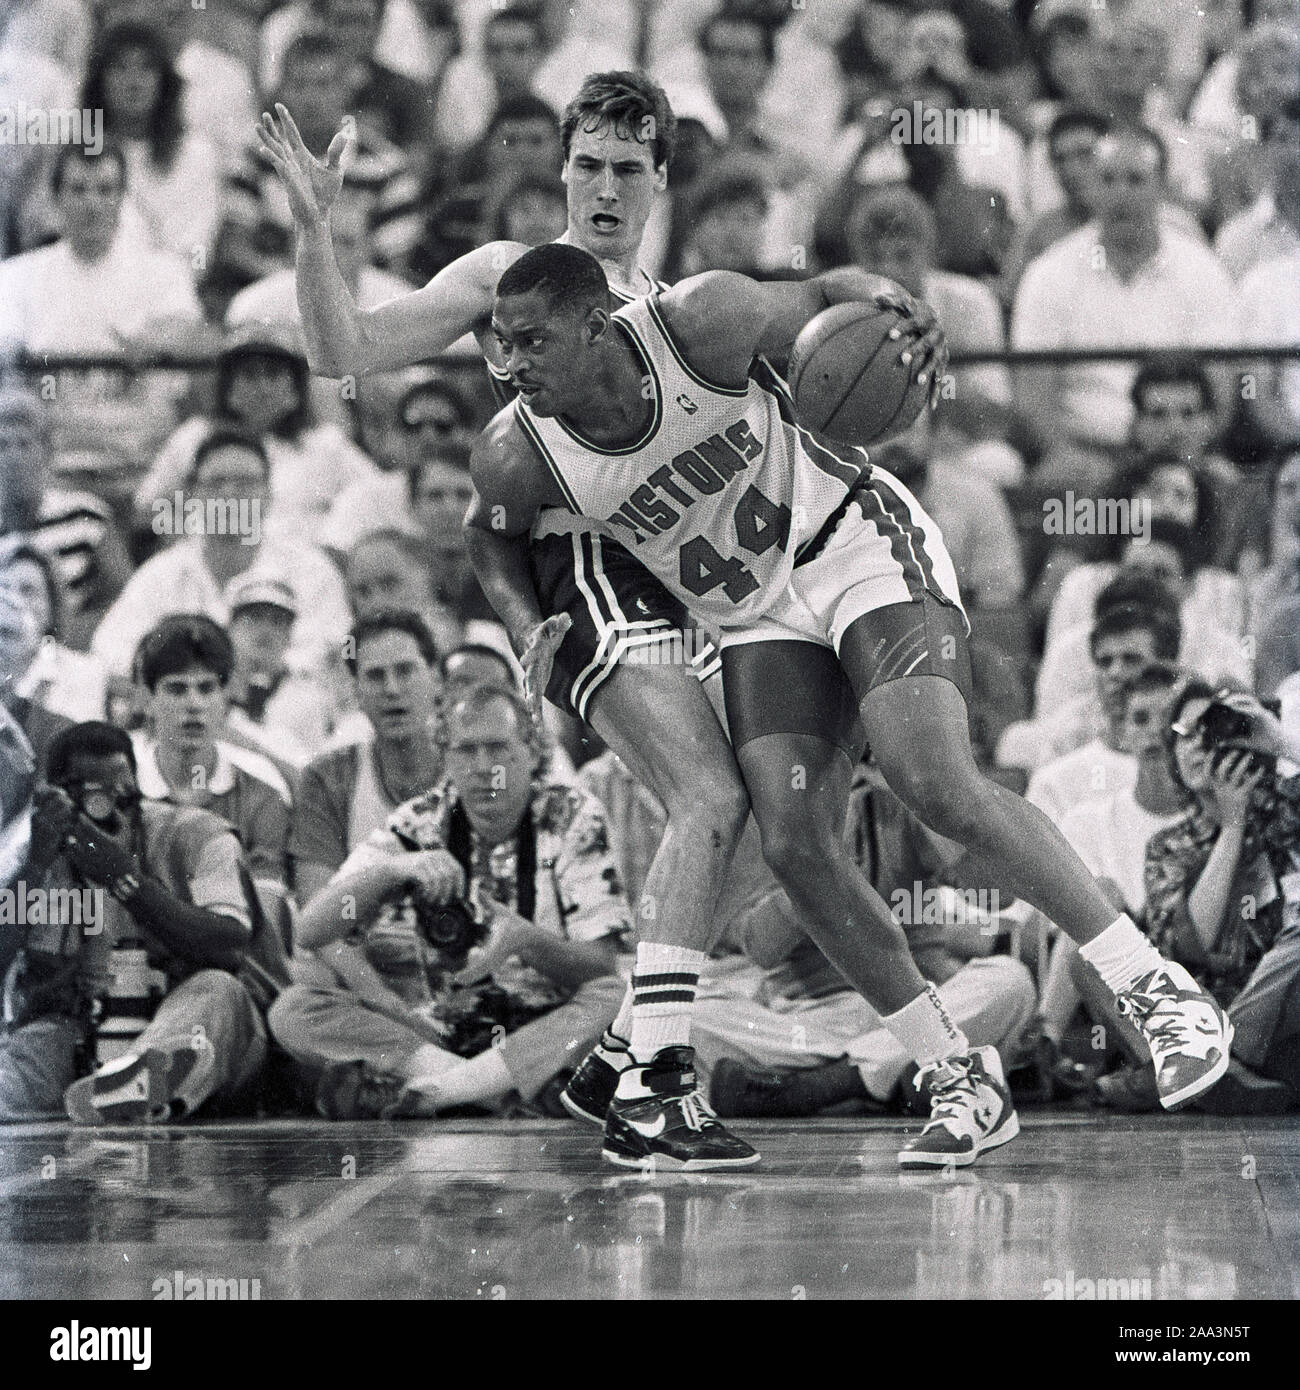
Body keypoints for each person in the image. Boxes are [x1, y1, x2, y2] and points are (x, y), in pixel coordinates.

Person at [461, 240, 1233, 1170]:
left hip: (853, 541)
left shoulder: (700, 320)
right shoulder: (516, 450)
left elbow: (830, 292)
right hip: (752, 616)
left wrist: (893, 304)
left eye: (531, 342)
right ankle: (957, 1077)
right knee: (792, 843)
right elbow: (490, 540)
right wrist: (519, 621)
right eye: (500, 345)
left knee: (932, 779)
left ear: (596, 326)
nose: (511, 365)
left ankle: (1154, 989)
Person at [260, 71, 777, 1169]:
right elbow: (341, 349)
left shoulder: (687, 312)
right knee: (712, 798)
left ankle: (623, 1050)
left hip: (675, 577)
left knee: (771, 819)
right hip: (570, 570)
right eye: (585, 165)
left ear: (658, 181)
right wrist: (317, 231)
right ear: (558, 174)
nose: (602, 186)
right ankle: (655, 1082)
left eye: (625, 169)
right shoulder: (507, 279)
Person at [270, 683, 630, 1119]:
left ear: (534, 752)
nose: (483, 767)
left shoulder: (572, 814)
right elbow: (312, 930)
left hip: (547, 1022)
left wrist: (526, 941)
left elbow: (600, 965)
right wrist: (392, 870)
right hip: (442, 1030)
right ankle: (493, 1091)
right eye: (465, 750)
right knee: (294, 1009)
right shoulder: (419, 823)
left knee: (617, 996)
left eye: (497, 747)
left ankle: (447, 1089)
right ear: (445, 758)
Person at [0, 722, 264, 1124]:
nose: (116, 817)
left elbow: (229, 947)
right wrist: (35, 868)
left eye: (126, 798)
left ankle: (136, 1082)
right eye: (95, 802)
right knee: (26, 1058)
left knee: (218, 990)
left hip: (188, 1027)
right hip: (81, 1035)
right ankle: (116, 1091)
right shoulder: (38, 858)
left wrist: (125, 880)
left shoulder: (195, 835)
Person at [1095, 684, 1300, 1113]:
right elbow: (1190, 949)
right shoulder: (1169, 845)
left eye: (1212, 730)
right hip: (1199, 1013)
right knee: (1095, 941)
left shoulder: (1287, 811)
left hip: (1281, 1023)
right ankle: (1211, 1065)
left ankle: (1216, 1065)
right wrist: (1232, 827)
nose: (1198, 747)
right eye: (1185, 734)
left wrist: (1280, 741)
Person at [94, 429, 352, 685]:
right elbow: (109, 650)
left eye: (245, 482)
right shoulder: (161, 574)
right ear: (193, 496)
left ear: (268, 494)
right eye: (216, 483)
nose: (229, 495)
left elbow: (329, 649)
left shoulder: (311, 571)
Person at [132, 320, 379, 544]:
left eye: (274, 375)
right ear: (228, 389)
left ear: (295, 390)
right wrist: (187, 540)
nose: (262, 388)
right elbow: (148, 508)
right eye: (249, 375)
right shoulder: (194, 437)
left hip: (302, 571)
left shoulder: (326, 445)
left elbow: (374, 498)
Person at [129, 615, 293, 933]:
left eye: (207, 689)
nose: (194, 704)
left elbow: (264, 924)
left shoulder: (262, 793)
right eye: (177, 689)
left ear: (224, 698)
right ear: (148, 700)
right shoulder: (126, 784)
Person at [289, 610, 444, 907]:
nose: (392, 689)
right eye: (375, 676)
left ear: (435, 679)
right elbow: (317, 913)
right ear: (356, 690)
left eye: (405, 671)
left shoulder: (473, 763)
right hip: (362, 945)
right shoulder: (328, 779)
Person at [79, 19, 223, 264]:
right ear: (99, 81)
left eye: (146, 68)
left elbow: (193, 257)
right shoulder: (75, 154)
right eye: (119, 68)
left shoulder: (196, 155)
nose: (133, 82)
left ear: (164, 82)